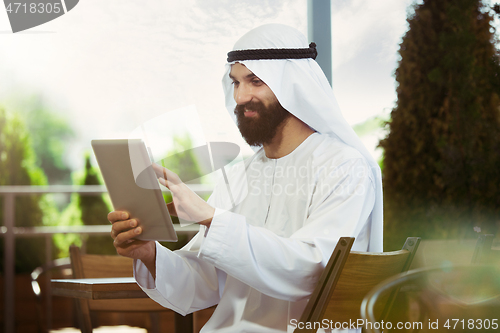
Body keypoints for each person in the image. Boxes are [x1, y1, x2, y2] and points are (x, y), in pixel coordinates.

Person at [108, 24, 383, 332]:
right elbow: (205, 281)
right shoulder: (239, 175)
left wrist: (212, 218)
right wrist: (150, 255)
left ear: (292, 85)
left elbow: (314, 271)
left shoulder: (345, 167)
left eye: (255, 81)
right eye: (236, 82)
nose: (240, 96)